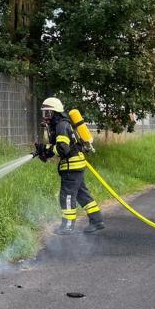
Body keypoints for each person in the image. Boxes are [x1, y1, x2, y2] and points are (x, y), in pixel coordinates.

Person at [35, 97, 105, 235]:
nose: (46, 117)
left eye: (48, 113)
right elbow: (60, 147)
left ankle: (67, 226)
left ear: (56, 113)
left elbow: (63, 149)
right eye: (44, 113)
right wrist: (44, 151)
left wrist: (46, 149)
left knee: (66, 196)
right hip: (76, 165)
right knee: (82, 195)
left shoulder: (61, 126)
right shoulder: (62, 124)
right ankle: (97, 221)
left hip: (71, 167)